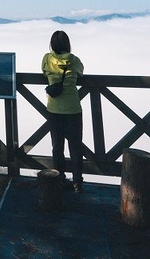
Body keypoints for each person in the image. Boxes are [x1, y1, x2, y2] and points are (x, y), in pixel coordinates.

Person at [41, 29, 85, 192]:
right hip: (73, 108)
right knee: (75, 146)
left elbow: (44, 72)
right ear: (67, 44)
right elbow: (81, 73)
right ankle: (77, 182)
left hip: (54, 108)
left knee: (57, 146)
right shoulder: (73, 60)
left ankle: (60, 179)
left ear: (52, 44)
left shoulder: (47, 59)